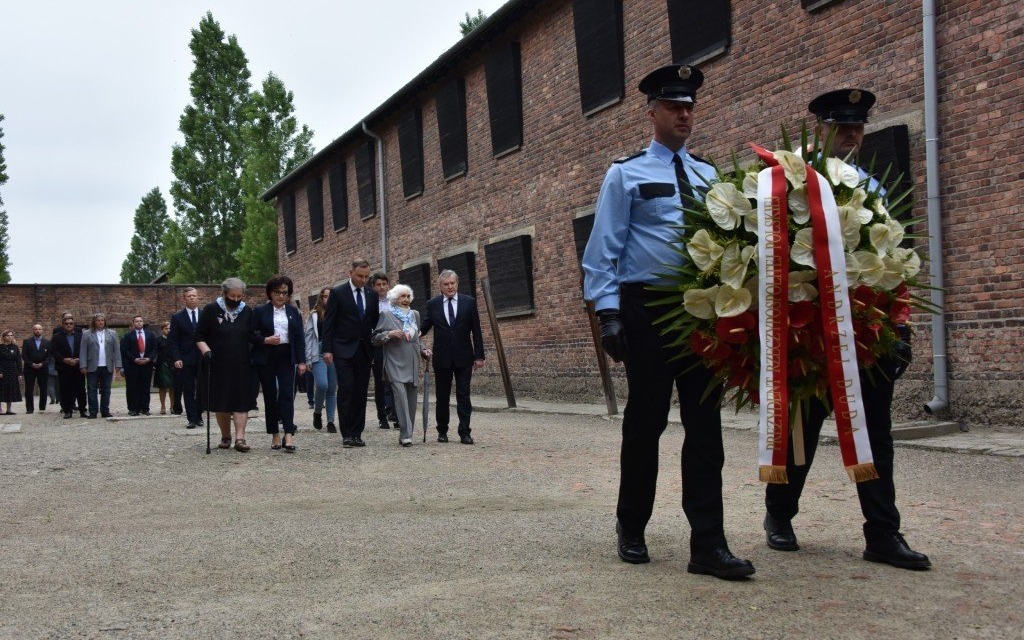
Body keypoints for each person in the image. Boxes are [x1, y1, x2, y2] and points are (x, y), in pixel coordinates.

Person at [581, 64, 755, 579]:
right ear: (652, 112)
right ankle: (632, 524)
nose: (684, 114)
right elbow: (602, 252)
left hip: (702, 310)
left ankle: (708, 543)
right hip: (648, 310)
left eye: (689, 107)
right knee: (647, 420)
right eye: (674, 106)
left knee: (705, 426)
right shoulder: (625, 174)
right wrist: (608, 314)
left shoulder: (709, 177)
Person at [761, 89, 930, 571]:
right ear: (821, 129)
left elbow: (890, 262)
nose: (853, 133)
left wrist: (899, 327)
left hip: (862, 328)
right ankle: (780, 514)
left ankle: (883, 533)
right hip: (810, 328)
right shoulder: (790, 181)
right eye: (843, 125)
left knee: (873, 431)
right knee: (802, 427)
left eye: (858, 125)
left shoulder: (872, 188)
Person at [420, 270, 485, 445]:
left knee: (463, 395)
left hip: (464, 356)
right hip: (442, 357)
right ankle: (442, 431)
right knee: (442, 396)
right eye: (446, 284)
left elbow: (476, 330)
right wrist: (412, 332)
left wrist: (479, 356)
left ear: (457, 283)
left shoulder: (469, 302)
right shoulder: (433, 304)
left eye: (452, 283)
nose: (450, 287)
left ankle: (465, 432)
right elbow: (424, 327)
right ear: (440, 286)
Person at [195, 278, 259, 452]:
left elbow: (253, 336)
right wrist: (206, 351)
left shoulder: (247, 311)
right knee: (221, 401)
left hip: (242, 363)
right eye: (232, 296)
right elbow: (199, 335)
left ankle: (240, 438)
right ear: (224, 294)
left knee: (241, 400)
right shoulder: (211, 309)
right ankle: (226, 436)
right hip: (218, 363)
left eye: (239, 296)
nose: (236, 299)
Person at [322, 259, 380, 448]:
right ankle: (347, 433)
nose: (363, 280)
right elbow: (329, 323)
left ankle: (357, 432)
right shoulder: (338, 293)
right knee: (346, 388)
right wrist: (327, 349)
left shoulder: (372, 295)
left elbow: (375, 321)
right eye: (360, 276)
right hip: (343, 349)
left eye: (366, 277)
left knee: (360, 392)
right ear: (350, 273)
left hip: (364, 350)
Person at [252, 275, 307, 452]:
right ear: (270, 293)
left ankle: (289, 433)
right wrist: (265, 340)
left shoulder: (293, 312)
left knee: (286, 394)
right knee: (270, 395)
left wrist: (302, 361)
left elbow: (299, 337)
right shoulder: (260, 311)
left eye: (285, 293)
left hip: (286, 355)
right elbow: (251, 334)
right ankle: (274, 433)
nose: (281, 296)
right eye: (277, 292)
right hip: (266, 355)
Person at [372, 284, 429, 446]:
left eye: (408, 296)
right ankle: (406, 434)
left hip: (412, 361)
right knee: (400, 396)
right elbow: (374, 338)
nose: (406, 299)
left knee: (411, 399)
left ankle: (406, 433)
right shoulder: (386, 314)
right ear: (395, 298)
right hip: (394, 361)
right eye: (402, 296)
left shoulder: (415, 315)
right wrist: (389, 334)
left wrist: (424, 349)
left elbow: (417, 338)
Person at [304, 287, 338, 433]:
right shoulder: (314, 315)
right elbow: (308, 337)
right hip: (317, 352)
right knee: (322, 384)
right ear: (321, 298)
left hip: (334, 352)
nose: (328, 299)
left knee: (332, 388)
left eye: (330, 296)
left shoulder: (338, 313)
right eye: (325, 296)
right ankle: (317, 412)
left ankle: (330, 420)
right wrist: (307, 359)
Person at [169, 287, 204, 429]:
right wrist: (176, 358)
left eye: (194, 295)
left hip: (202, 357)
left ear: (197, 297)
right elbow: (173, 340)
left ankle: (199, 415)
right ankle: (191, 418)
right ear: (184, 298)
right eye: (189, 296)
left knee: (201, 389)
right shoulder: (177, 317)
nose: (192, 298)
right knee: (188, 389)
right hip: (186, 358)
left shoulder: (205, 315)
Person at [78, 313, 122, 419]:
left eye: (102, 320)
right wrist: (83, 365)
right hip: (92, 366)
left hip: (107, 366)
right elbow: (83, 350)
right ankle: (93, 411)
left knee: (106, 389)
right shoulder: (87, 334)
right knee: (91, 389)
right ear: (94, 322)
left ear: (105, 322)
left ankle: (105, 411)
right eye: (98, 320)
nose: (100, 322)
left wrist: (118, 364)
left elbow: (116, 350)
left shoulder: (112, 333)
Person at [370, 271, 398, 430]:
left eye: (384, 284)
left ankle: (396, 413)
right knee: (380, 381)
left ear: (388, 285)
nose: (381, 287)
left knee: (395, 379)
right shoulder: (370, 302)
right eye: (378, 285)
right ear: (373, 286)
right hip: (378, 343)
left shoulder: (394, 301)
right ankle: (382, 417)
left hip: (393, 344)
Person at [51, 315, 86, 419]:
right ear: (62, 325)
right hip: (64, 367)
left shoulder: (81, 336)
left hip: (78, 366)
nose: (69, 325)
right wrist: (64, 359)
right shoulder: (57, 337)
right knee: (65, 389)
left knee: (80, 389)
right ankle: (67, 410)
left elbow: (85, 349)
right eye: (66, 324)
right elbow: (53, 351)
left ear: (74, 325)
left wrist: (79, 359)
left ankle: (83, 410)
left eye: (71, 323)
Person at [120, 315, 157, 416]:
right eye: (136, 321)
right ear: (133, 323)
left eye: (141, 321)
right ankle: (134, 409)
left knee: (145, 387)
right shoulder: (128, 336)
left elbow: (154, 349)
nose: (139, 323)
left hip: (147, 364)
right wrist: (134, 359)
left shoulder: (150, 335)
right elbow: (125, 350)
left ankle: (145, 408)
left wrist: (149, 358)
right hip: (133, 365)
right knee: (133, 387)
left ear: (143, 323)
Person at [22, 324, 51, 414]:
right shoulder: (27, 342)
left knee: (43, 388)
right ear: (33, 330)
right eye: (35, 329)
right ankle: (29, 408)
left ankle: (42, 407)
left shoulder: (47, 342)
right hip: (30, 368)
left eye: (39, 329)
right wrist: (31, 364)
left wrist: (42, 364)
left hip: (43, 368)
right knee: (29, 389)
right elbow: (24, 355)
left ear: (42, 330)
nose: (37, 331)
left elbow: (49, 356)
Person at [154, 321, 176, 415]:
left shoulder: (175, 340)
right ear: (162, 330)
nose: (168, 330)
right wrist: (153, 363)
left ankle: (172, 406)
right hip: (162, 365)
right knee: (162, 387)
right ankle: (163, 406)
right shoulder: (158, 340)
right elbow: (154, 352)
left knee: (173, 387)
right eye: (166, 328)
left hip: (173, 365)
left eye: (170, 328)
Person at [0, 331, 22, 414]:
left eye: (11, 335)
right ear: (3, 337)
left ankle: (9, 409)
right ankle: (0, 409)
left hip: (12, 371)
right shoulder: (1, 347)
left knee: (10, 389)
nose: (10, 337)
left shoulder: (15, 347)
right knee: (1, 388)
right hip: (2, 370)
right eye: (8, 335)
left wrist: (20, 373)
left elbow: (18, 361)